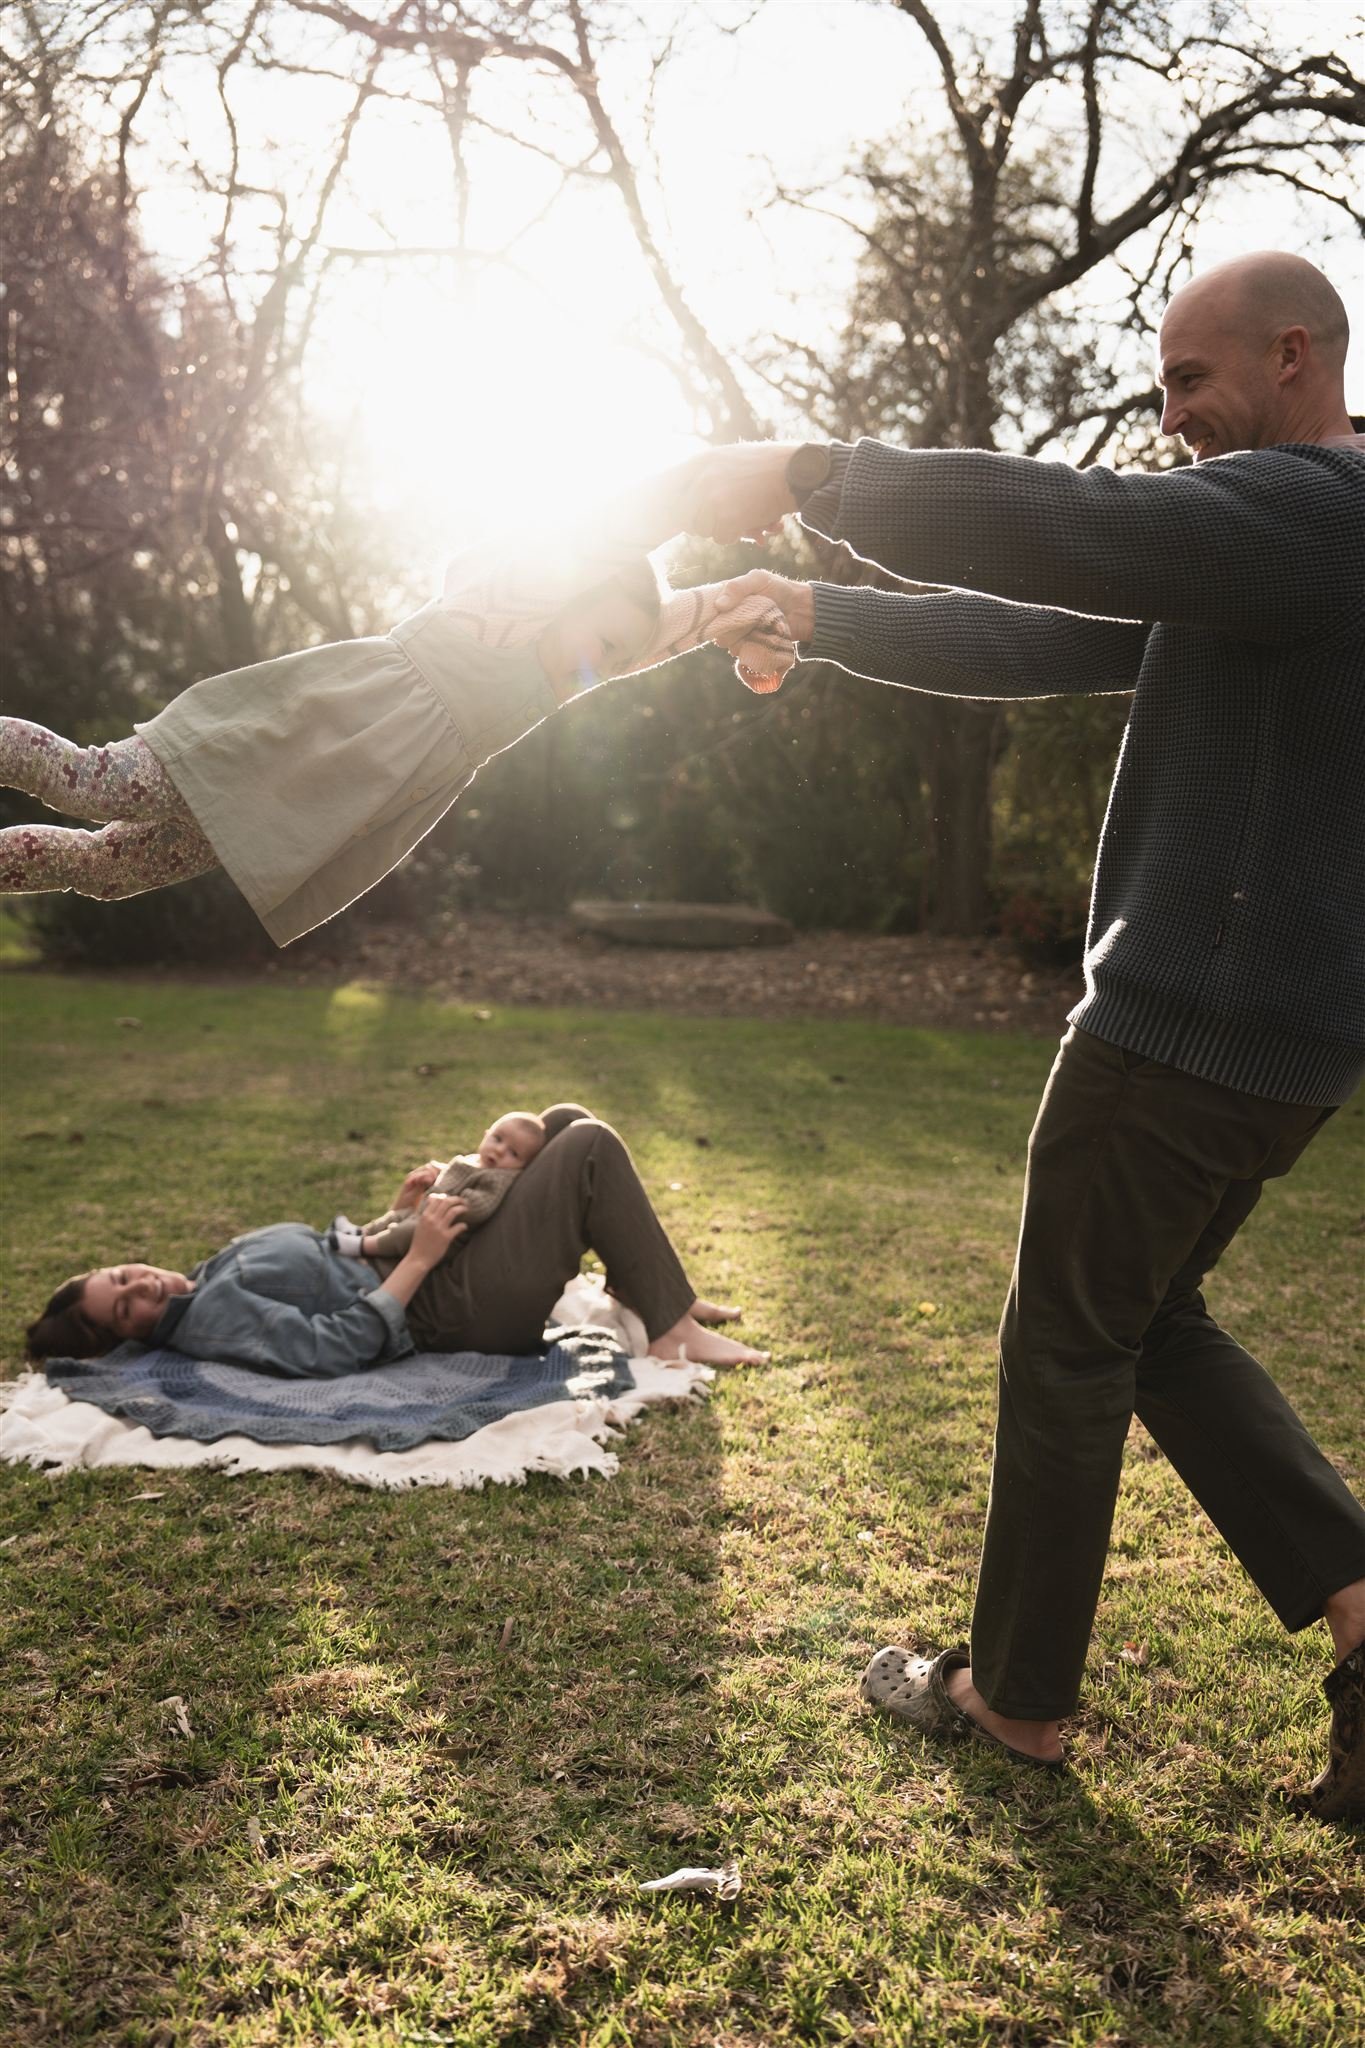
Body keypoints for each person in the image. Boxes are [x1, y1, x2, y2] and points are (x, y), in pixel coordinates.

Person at [646, 250, 1365, 1820]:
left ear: (1296, 356)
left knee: (1067, 1349)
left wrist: (800, 475)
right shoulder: (1274, 549)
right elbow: (1044, 625)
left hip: (1178, 1035)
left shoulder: (1316, 515)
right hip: (1285, 1051)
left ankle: (1018, 1700)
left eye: (1193, 382)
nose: (1170, 416)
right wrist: (814, 609)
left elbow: (1072, 525)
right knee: (1144, 1323)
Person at [0, 542, 666, 947]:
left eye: (619, 660)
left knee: (108, 870)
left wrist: (752, 601)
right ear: (569, 593)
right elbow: (597, 532)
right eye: (606, 645)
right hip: (282, 740)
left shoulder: (551, 687)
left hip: (283, 809)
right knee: (94, 783)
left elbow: (671, 629)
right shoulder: (497, 614)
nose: (605, 668)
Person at [24, 1105, 767, 1371]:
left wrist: (397, 1211)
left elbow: (331, 1267)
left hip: (441, 1267)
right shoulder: (213, 1320)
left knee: (563, 1121)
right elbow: (329, 1348)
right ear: (131, 1338)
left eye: (122, 1275)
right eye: (125, 1310)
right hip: (450, 1311)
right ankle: (669, 1332)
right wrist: (417, 1257)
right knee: (590, 1146)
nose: (141, 1287)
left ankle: (654, 1294)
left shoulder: (212, 1269)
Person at [330, 1109, 547, 1261]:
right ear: (486, 1134)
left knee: (405, 1231)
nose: (499, 1150)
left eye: (513, 1153)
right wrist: (439, 1174)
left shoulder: (500, 1178)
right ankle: (362, 1232)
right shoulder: (476, 1160)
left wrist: (455, 1202)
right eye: (498, 1139)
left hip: (444, 1231)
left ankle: (364, 1247)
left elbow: (482, 1204)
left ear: (521, 1168)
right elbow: (458, 1175)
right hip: (429, 1211)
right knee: (400, 1216)